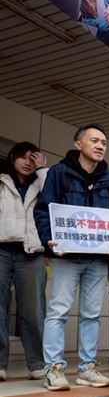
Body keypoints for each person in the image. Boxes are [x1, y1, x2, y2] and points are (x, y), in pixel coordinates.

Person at [34, 124, 109, 391]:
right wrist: (48, 240)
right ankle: (54, 369)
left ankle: (87, 368)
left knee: (91, 314)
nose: (100, 146)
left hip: (97, 259)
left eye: (104, 143)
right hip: (66, 256)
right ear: (78, 144)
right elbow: (44, 210)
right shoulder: (58, 174)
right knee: (57, 312)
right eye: (94, 140)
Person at [0, 142, 47, 381]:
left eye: (33, 158)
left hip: (32, 252)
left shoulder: (42, 182)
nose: (28, 162)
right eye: (23, 157)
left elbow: (56, 198)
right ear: (13, 158)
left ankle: (37, 363)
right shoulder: (1, 182)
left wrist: (43, 171)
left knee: (34, 310)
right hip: (2, 250)